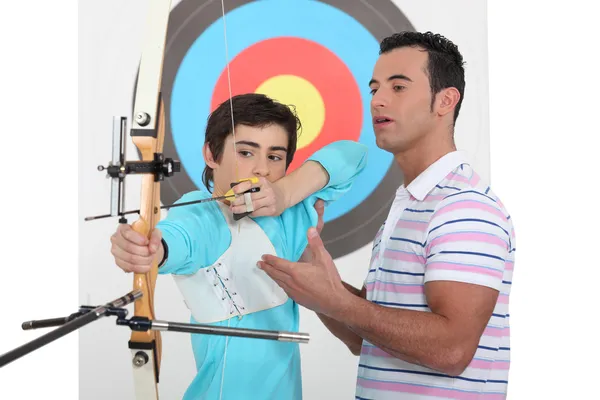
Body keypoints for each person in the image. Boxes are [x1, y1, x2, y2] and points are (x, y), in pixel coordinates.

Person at [258, 31, 515, 399]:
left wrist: (337, 300)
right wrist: (313, 281)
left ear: (446, 100)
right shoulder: (410, 204)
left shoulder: (465, 207)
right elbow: (364, 337)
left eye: (398, 87)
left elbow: (452, 350)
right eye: (375, 88)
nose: (378, 100)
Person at [109, 93, 367, 400]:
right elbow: (177, 238)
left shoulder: (290, 214)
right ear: (211, 154)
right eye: (246, 153)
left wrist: (285, 194)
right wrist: (149, 248)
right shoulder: (202, 214)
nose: (261, 170)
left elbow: (354, 155)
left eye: (275, 157)